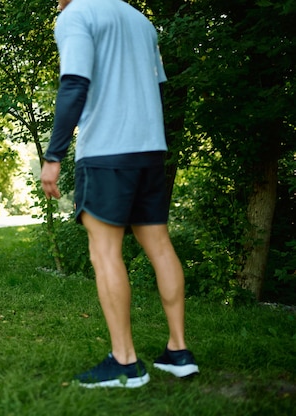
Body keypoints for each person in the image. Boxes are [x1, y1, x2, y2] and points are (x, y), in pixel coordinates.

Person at [41, 0, 199, 388]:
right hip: (150, 149)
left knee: (104, 251)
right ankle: (178, 352)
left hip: (108, 152)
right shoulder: (140, 19)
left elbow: (75, 82)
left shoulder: (76, 15)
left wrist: (54, 154)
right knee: (159, 245)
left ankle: (125, 362)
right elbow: (158, 88)